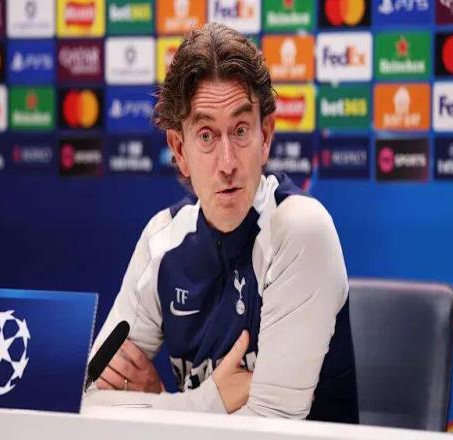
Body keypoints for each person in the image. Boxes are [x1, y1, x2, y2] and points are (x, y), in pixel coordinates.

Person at [84, 23, 358, 421]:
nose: (227, 163)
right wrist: (205, 400)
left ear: (266, 136)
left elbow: (271, 426)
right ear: (180, 149)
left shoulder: (299, 229)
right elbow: (86, 401)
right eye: (207, 136)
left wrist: (156, 412)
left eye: (241, 131)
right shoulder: (161, 241)